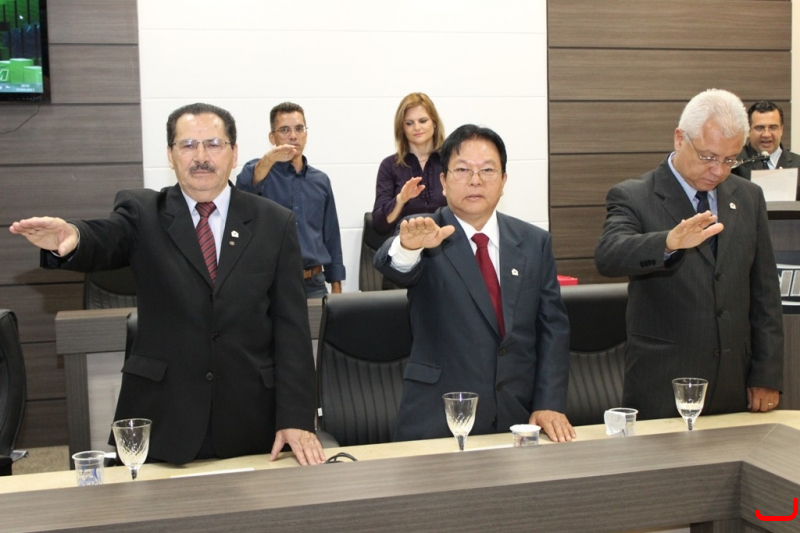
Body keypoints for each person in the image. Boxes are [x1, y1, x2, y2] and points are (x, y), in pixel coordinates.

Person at [9, 103, 325, 466]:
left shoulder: (274, 223)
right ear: (170, 155)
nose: (201, 157)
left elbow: (291, 328)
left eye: (214, 144)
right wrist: (75, 237)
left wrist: (297, 417)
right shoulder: (143, 212)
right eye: (188, 145)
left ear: (234, 153)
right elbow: (106, 237)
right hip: (162, 419)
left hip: (252, 420)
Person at [374, 124, 575, 444]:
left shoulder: (533, 242)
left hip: (518, 418)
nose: (476, 180)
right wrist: (407, 248)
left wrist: (549, 403)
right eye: (463, 169)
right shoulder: (425, 232)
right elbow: (394, 267)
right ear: (443, 181)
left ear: (504, 181)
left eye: (487, 170)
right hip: (437, 420)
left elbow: (553, 328)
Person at [594, 89, 784, 421]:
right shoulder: (634, 195)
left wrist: (766, 375)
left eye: (730, 159)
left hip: (733, 384)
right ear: (680, 138)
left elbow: (765, 294)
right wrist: (668, 242)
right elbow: (608, 255)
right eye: (709, 157)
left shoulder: (749, 197)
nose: (719, 171)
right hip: (662, 384)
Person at [236, 102, 345, 298]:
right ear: (272, 137)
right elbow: (245, 188)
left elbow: (331, 235)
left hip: (314, 284)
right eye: (285, 130)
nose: (293, 136)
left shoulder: (320, 181)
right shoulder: (260, 172)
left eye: (299, 129)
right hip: (270, 284)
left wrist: (336, 286)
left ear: (306, 134)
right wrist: (270, 159)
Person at [371, 92, 447, 234]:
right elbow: (379, 224)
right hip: (403, 244)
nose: (417, 127)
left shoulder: (451, 161)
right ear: (402, 128)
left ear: (434, 123)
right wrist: (401, 199)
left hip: (446, 242)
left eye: (423, 121)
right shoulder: (389, 166)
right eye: (409, 123)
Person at [731, 100, 800, 200]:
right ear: (748, 130)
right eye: (760, 128)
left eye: (773, 127)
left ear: (781, 129)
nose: (766, 134)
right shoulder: (734, 163)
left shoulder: (798, 163)